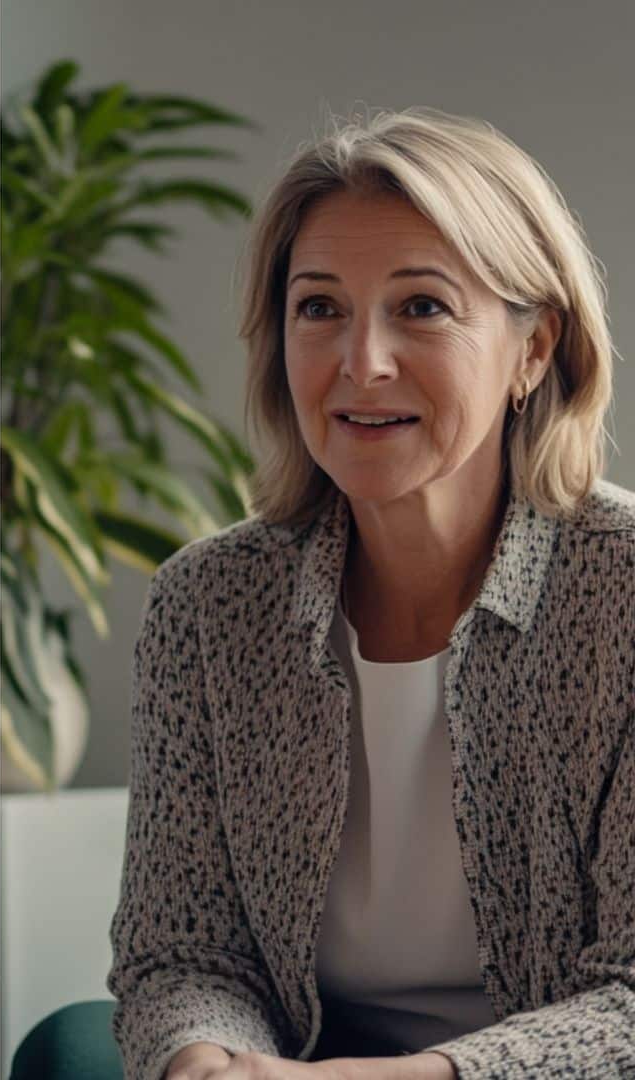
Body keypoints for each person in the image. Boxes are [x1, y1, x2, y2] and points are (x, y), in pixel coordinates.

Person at [101, 107, 628, 1080]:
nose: (361, 361)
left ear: (533, 349)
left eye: (421, 307)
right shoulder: (209, 605)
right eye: (321, 307)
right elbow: (182, 955)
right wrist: (207, 1064)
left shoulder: (624, 596)